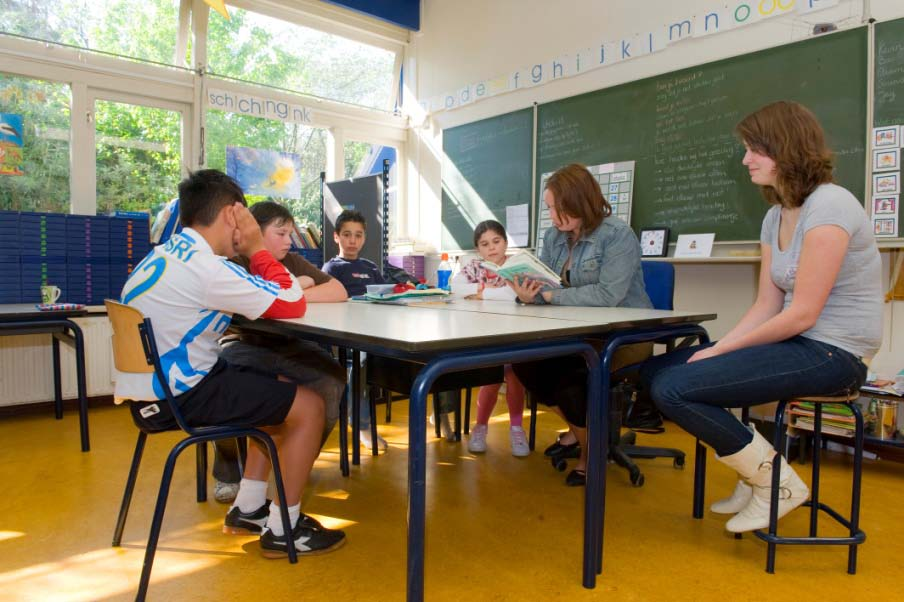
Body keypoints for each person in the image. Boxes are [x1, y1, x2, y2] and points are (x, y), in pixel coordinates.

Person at [639, 101, 882, 533]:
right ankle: (755, 473)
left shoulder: (830, 206)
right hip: (797, 344)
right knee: (653, 372)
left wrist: (723, 350)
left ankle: (776, 485)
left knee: (675, 388)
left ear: (786, 149)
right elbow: (767, 305)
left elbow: (802, 314)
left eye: (755, 149)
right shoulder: (776, 215)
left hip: (835, 355)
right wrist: (716, 349)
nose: (746, 159)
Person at [114, 169, 345, 557]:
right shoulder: (207, 268)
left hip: (157, 388)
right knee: (310, 406)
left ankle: (250, 507)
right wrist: (256, 247)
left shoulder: (168, 254)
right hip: (179, 395)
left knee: (277, 385)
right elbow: (292, 302)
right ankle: (285, 529)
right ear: (231, 215)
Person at [509, 163, 653, 486]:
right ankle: (581, 430)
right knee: (524, 363)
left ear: (582, 201)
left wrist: (548, 297)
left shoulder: (617, 235)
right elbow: (545, 282)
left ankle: (592, 453)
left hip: (625, 336)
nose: (554, 218)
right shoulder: (553, 236)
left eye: (560, 209)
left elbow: (607, 295)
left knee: (570, 374)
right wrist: (527, 293)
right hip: (576, 332)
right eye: (549, 209)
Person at [211, 200, 348, 504]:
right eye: (281, 233)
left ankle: (295, 459)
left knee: (332, 378)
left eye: (290, 234)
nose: (288, 241)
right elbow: (260, 304)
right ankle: (227, 472)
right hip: (243, 344)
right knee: (231, 383)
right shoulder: (234, 263)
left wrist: (297, 291)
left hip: (289, 345)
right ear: (254, 233)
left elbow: (338, 291)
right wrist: (294, 289)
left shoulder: (293, 262)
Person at [450, 220, 529, 456]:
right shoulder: (475, 266)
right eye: (484, 244)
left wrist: (481, 292)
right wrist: (495, 294)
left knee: (515, 376)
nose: (491, 248)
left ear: (505, 242)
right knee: (491, 377)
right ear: (478, 250)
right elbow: (456, 287)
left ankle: (517, 428)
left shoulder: (516, 265)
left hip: (515, 334)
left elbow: (511, 294)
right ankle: (480, 426)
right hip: (486, 335)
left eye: (496, 241)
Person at [322, 209, 393, 449]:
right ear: (336, 237)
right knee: (361, 363)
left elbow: (386, 296)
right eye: (347, 235)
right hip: (347, 338)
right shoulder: (332, 269)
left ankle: (440, 414)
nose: (353, 241)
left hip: (375, 332)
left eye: (358, 235)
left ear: (364, 238)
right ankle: (361, 425)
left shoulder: (371, 267)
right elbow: (328, 306)